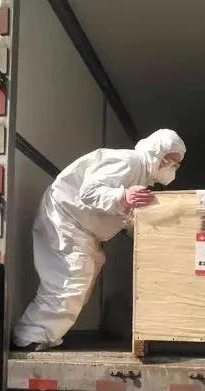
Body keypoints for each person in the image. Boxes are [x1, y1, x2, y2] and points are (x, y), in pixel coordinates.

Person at [13, 129, 186, 351]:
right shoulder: (130, 161)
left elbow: (123, 215)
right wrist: (122, 196)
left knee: (80, 288)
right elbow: (89, 191)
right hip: (66, 220)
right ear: (159, 154)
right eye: (172, 161)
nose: (174, 167)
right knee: (70, 282)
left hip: (83, 231)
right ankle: (29, 338)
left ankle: (44, 335)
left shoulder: (141, 175)